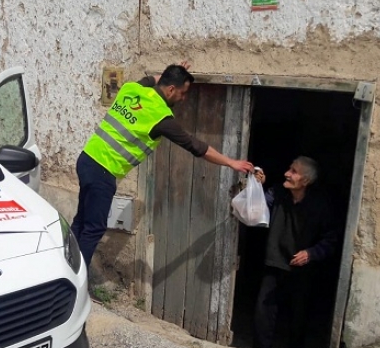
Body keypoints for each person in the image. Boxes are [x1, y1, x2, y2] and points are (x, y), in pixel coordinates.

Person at [71, 62, 254, 269]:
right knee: (94, 228)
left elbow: (154, 79)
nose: (183, 98)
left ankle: (65, 265)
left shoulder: (133, 88)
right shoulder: (160, 117)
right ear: (171, 89)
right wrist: (231, 162)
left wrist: (173, 71)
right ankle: (76, 281)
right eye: (183, 93)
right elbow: (196, 146)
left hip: (86, 159)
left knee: (82, 220)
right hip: (103, 172)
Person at [252, 156, 339, 348]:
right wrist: (257, 186)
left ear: (305, 181)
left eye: (293, 171)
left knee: (298, 317)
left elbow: (331, 239)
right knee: (263, 314)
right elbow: (256, 210)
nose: (287, 173)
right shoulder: (278, 193)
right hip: (275, 262)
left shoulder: (320, 205)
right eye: (289, 169)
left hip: (303, 269)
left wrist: (311, 253)